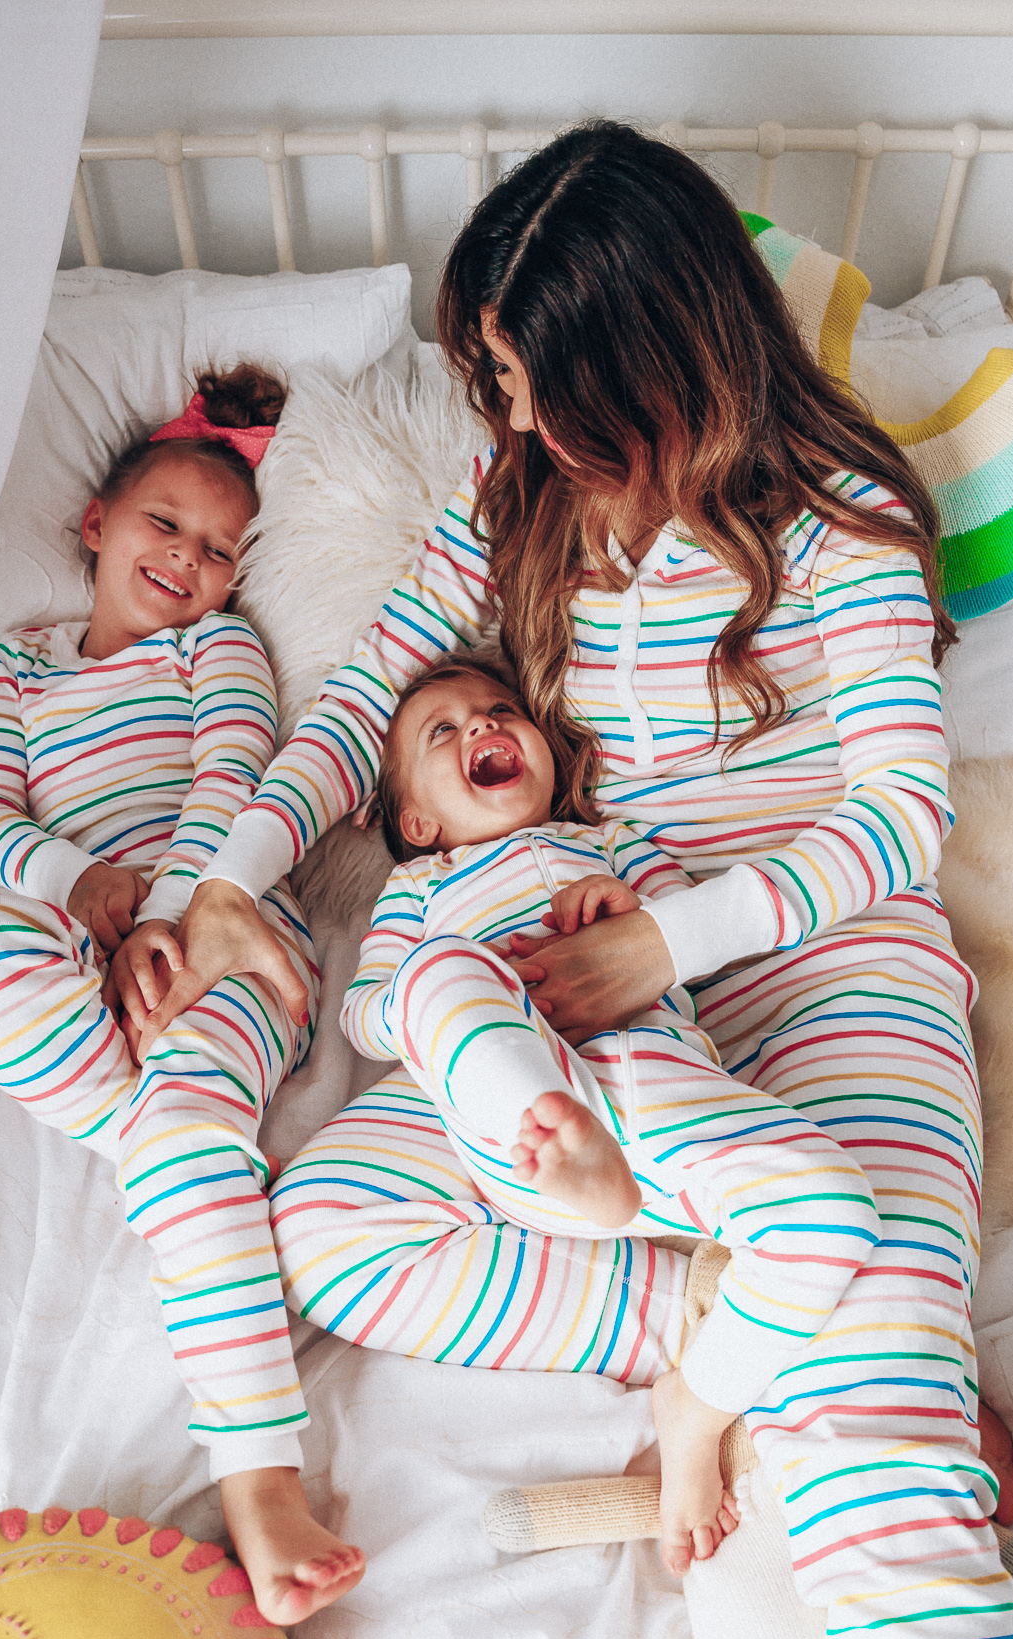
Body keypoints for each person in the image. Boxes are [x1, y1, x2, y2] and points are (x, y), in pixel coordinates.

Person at [134, 125, 1013, 1639]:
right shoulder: (519, 510)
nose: (504, 420)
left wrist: (680, 932)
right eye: (488, 379)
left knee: (888, 1497)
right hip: (566, 969)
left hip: (816, 961)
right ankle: (747, 1313)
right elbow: (351, 714)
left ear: (660, 361)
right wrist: (235, 876)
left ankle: (801, 1360)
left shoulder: (839, 527)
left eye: (531, 384)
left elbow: (896, 818)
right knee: (330, 1225)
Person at [0, 366, 363, 1626]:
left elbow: (234, 776)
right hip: (93, 946)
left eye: (220, 547)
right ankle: (176, 1145)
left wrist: (169, 912)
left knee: (181, 1098)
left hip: (230, 930)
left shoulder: (216, 646)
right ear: (95, 525)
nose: (190, 558)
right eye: (165, 523)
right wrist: (88, 890)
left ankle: (261, 1477)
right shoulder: (20, 666)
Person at [347, 649, 885, 1566]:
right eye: (445, 731)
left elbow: (689, 940)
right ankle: (567, 1141)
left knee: (836, 1212)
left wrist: (629, 910)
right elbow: (366, 1018)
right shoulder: (418, 890)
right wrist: (449, 980)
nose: (483, 725)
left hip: (650, 1092)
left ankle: (699, 1400)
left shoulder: (612, 842)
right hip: (516, 1138)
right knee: (434, 973)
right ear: (417, 818)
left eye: (499, 709)